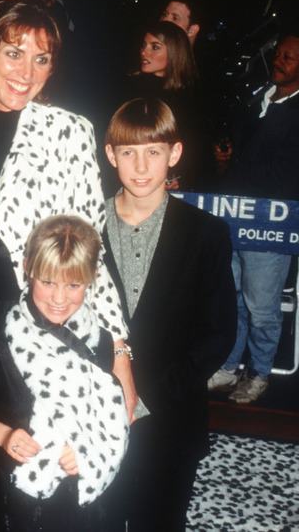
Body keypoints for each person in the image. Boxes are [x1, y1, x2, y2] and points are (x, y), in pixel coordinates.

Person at [0, 0, 134, 531]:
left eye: (41, 60)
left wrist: (119, 351)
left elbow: (90, 250)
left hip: (30, 317)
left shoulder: (70, 132)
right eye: (14, 53)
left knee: (27, 464)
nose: (26, 72)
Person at [100, 98, 236, 531]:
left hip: (173, 415)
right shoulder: (84, 224)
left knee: (160, 519)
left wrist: (160, 387)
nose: (141, 166)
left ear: (174, 154)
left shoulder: (206, 233)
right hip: (95, 409)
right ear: (110, 155)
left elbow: (219, 330)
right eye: (128, 152)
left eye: (153, 151)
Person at [0, 215, 130, 531]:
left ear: (92, 277)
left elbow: (112, 420)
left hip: (85, 498)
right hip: (14, 498)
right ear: (28, 268)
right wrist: (4, 435)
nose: (59, 298)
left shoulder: (101, 342)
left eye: (74, 284)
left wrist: (90, 454)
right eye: (48, 281)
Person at [208, 31, 299, 405]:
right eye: (278, 54)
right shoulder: (258, 101)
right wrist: (224, 165)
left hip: (269, 227)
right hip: (232, 218)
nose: (279, 60)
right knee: (231, 299)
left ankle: (260, 373)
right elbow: (240, 161)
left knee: (262, 307)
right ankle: (229, 366)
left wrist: (245, 176)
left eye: (289, 57)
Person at [123, 20, 207, 192]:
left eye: (155, 47)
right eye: (144, 45)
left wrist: (178, 177)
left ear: (175, 52)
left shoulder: (191, 98)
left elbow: (195, 150)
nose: (144, 52)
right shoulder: (126, 89)